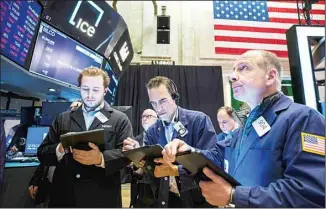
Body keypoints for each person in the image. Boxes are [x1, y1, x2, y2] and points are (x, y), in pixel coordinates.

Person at [162, 50, 325, 207]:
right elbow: (217, 158)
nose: (233, 76)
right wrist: (187, 153)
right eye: (233, 70)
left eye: (244, 68)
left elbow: (312, 193)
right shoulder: (244, 130)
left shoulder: (303, 118)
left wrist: (234, 196)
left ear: (270, 76)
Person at [37, 67, 133, 207]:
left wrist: (101, 159)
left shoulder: (120, 119)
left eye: (95, 90)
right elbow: (42, 153)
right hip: (64, 196)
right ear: (79, 88)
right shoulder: (63, 118)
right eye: (85, 89)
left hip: (102, 197)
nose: (90, 95)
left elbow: (127, 155)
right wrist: (59, 149)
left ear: (105, 90)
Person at [123, 76, 217, 208]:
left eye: (163, 101)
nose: (158, 108)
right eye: (153, 103)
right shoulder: (152, 131)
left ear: (174, 96)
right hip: (165, 199)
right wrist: (139, 158)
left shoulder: (199, 121)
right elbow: (152, 171)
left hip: (196, 199)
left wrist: (176, 170)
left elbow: (212, 162)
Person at [28, 101, 83, 205]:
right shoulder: (58, 130)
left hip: (69, 190)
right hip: (49, 186)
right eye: (70, 108)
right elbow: (44, 157)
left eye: (76, 107)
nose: (73, 110)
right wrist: (35, 180)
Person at [129, 109, 158, 208]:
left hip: (159, 186)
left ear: (157, 120)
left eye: (149, 116)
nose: (145, 118)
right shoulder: (134, 141)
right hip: (140, 187)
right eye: (143, 116)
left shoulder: (164, 138)